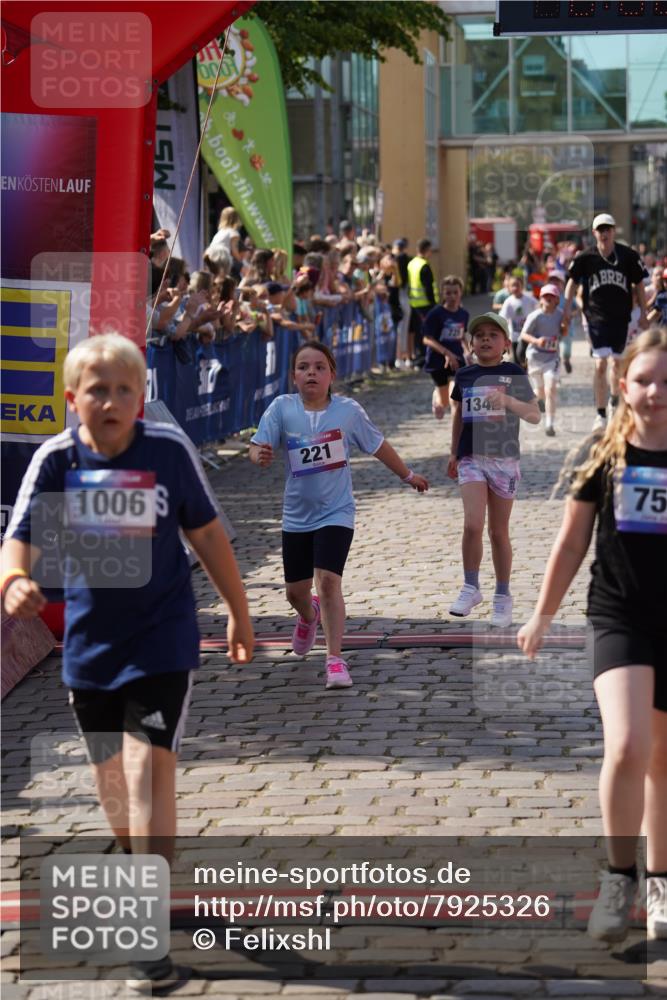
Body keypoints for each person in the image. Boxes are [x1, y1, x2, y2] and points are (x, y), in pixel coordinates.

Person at [1, 333, 254, 990]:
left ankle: (147, 937)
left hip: (162, 639)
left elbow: (207, 533)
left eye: (124, 390)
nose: (111, 402)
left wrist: (238, 610)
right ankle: (136, 853)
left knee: (147, 777)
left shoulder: (166, 451)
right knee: (113, 789)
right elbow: (16, 540)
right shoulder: (56, 460)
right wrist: (13, 581)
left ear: (141, 397)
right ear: (72, 399)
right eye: (97, 391)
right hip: (90, 647)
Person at [517, 328, 667, 944]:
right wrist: (542, 614)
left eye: (666, 381)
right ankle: (619, 876)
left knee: (663, 761)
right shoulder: (604, 454)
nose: (656, 392)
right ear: (622, 385)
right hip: (619, 616)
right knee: (628, 746)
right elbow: (571, 542)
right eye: (644, 380)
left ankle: (661, 886)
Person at [249, 340, 428, 689]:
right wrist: (260, 456)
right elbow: (257, 446)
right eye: (303, 367)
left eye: (319, 367)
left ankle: (334, 659)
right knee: (295, 593)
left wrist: (407, 475)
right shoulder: (281, 408)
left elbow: (377, 444)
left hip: (336, 511)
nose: (311, 373)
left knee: (329, 581)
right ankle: (308, 615)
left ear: (332, 374)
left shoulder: (348, 411)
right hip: (296, 515)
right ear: (293, 376)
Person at [447, 314, 540, 627]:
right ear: (471, 344)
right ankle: (470, 587)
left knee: (498, 532)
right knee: (472, 524)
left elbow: (534, 415)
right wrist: (453, 452)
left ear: (506, 344)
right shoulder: (465, 375)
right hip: (471, 457)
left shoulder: (513, 373)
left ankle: (502, 596)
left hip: (504, 460)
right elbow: (458, 415)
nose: (485, 339)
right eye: (480, 335)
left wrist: (507, 400)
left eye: (493, 334)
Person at [563, 213, 649, 431]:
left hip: (621, 318)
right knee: (601, 364)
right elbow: (572, 283)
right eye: (600, 230)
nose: (604, 233)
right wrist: (566, 310)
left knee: (617, 364)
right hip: (596, 318)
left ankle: (613, 400)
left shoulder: (627, 256)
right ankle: (600, 414)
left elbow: (639, 284)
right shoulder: (586, 257)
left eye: (607, 229)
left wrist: (644, 313)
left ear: (613, 231)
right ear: (594, 233)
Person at [422, 275, 469, 419]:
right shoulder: (436, 314)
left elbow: (461, 335)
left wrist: (468, 352)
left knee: (456, 399)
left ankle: (456, 429)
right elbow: (426, 339)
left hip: (457, 360)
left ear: (461, 292)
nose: (452, 296)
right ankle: (437, 398)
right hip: (437, 361)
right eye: (448, 293)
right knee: (444, 402)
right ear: (442, 293)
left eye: (455, 292)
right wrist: (446, 353)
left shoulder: (464, 314)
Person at [521, 283, 564, 437]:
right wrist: (536, 341)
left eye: (551, 296)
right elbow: (523, 335)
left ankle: (549, 424)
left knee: (550, 388)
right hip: (535, 358)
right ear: (540, 299)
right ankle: (537, 399)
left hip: (552, 358)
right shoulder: (535, 316)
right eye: (545, 296)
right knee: (540, 392)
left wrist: (565, 325)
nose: (548, 299)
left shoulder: (560, 315)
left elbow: (564, 331)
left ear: (557, 300)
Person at [407, 238, 437, 366]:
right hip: (425, 304)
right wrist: (434, 304)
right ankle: (424, 358)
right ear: (426, 250)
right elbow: (428, 287)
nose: (431, 253)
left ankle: (418, 356)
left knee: (417, 332)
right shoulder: (424, 265)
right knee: (425, 332)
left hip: (414, 304)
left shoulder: (411, 263)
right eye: (430, 250)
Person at [499, 275, 537, 367]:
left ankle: (525, 370)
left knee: (523, 356)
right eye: (513, 285)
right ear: (509, 288)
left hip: (527, 335)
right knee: (516, 359)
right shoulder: (508, 302)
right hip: (514, 335)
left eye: (517, 285)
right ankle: (519, 373)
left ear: (522, 286)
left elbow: (538, 309)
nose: (515, 288)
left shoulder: (529, 299)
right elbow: (502, 318)